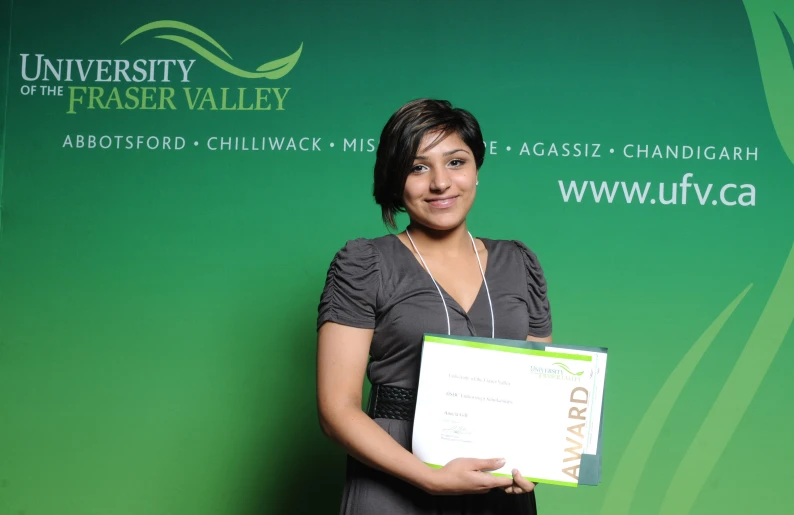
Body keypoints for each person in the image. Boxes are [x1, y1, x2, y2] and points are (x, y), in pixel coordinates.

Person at [316, 98, 553, 515]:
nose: (441, 183)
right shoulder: (364, 263)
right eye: (418, 167)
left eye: (456, 162)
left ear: (477, 169)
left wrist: (535, 462)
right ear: (395, 180)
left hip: (497, 482)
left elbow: (539, 392)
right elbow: (336, 411)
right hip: (393, 482)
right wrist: (429, 477)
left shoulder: (519, 262)